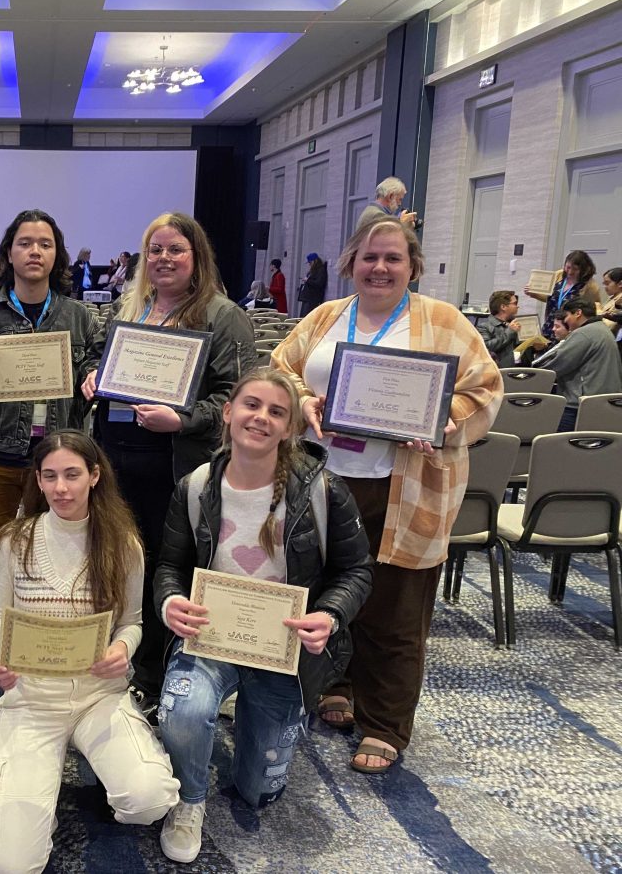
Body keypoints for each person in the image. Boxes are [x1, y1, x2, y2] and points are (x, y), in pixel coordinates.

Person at [271, 215, 502, 773]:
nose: (380, 268)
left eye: (393, 258)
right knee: (325, 592)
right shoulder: (327, 316)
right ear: (351, 262)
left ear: (412, 266)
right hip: (325, 480)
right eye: (369, 257)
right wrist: (302, 400)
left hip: (405, 486)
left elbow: (486, 387)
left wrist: (446, 419)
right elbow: (282, 366)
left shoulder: (442, 322)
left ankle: (385, 724)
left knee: (395, 609)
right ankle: (338, 687)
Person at [154, 369, 372, 863]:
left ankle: (253, 714)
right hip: (211, 638)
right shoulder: (195, 487)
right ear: (228, 413)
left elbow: (356, 570)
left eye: (277, 411)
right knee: (184, 713)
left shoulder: (323, 491)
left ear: (291, 427)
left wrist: (330, 616)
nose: (262, 418)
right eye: (251, 405)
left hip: (284, 650)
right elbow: (169, 564)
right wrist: (170, 603)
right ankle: (189, 801)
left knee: (259, 791)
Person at [0, 431, 179, 873]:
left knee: (150, 799)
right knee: (12, 865)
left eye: (72, 474)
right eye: (49, 476)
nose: (60, 488)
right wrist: (5, 656)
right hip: (32, 700)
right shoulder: (16, 539)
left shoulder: (123, 542)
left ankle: (107, 766)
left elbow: (132, 622)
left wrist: (123, 649)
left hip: (97, 695)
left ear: (94, 475)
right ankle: (32, 801)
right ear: (38, 480)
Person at [81, 211, 256, 712]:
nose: (164, 258)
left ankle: (157, 676)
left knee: (164, 566)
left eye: (176, 249)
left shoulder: (222, 316)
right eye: (155, 249)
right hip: (115, 458)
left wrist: (182, 421)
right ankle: (116, 662)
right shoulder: (128, 309)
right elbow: (98, 360)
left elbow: (234, 398)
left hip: (175, 464)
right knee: (116, 559)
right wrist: (92, 376)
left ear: (196, 257)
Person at [0, 209, 101, 703]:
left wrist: (92, 383)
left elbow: (93, 382)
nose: (35, 251)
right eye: (24, 243)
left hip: (58, 463)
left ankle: (47, 653)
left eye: (45, 243)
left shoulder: (80, 317)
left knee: (59, 562)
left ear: (56, 254)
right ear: (8, 253)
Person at [534, 297, 622, 431]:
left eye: (567, 316)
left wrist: (536, 370)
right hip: (600, 402)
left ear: (578, 313)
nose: (566, 321)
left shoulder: (584, 334)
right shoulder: (602, 330)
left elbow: (555, 365)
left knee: (565, 448)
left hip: (579, 405)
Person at [526, 249, 600, 340]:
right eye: (568, 267)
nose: (570, 272)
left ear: (583, 269)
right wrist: (534, 294)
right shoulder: (559, 276)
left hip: (569, 329)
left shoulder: (590, 286)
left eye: (575, 269)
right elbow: (552, 299)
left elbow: (592, 311)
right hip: (550, 324)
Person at [476, 290, 521, 367]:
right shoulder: (484, 327)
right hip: (500, 372)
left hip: (522, 371)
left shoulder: (517, 325)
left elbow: (520, 350)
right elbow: (487, 347)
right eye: (514, 303)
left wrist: (535, 348)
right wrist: (509, 332)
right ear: (503, 307)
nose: (517, 306)